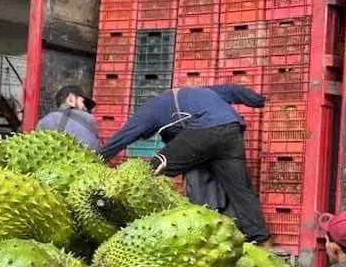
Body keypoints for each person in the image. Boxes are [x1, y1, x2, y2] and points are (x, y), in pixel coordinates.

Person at [98, 83, 269, 244]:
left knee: (153, 167)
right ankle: (261, 238)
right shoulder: (200, 92)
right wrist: (259, 100)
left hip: (206, 128)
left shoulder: (150, 109)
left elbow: (123, 137)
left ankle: (133, 216)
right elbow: (233, 90)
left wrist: (98, 157)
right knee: (240, 188)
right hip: (232, 128)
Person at [35, 84, 99, 151]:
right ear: (70, 99)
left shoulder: (46, 121)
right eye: (83, 102)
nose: (86, 108)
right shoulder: (89, 118)